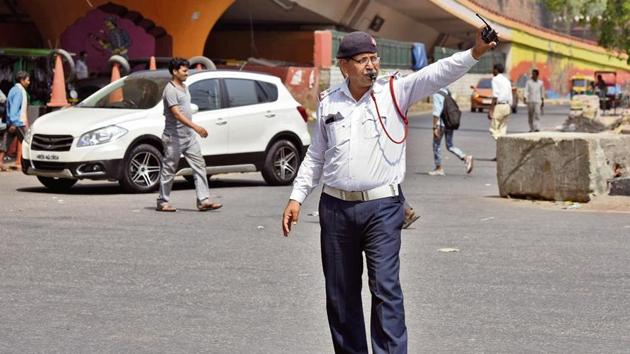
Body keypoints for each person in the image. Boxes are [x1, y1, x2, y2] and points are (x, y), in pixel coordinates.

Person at [282, 29, 496, 353]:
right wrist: (297, 197)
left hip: (382, 207)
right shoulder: (329, 102)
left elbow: (438, 73)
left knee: (385, 289)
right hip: (335, 209)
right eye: (362, 60)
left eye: (374, 58)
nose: (371, 66)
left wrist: (475, 52)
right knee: (341, 295)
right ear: (344, 66)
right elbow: (316, 155)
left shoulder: (396, 91)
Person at [156, 58, 222, 212]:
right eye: (184, 70)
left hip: (188, 137)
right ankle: (162, 201)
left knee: (199, 165)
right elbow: (177, 115)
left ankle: (203, 200)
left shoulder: (184, 87)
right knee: (169, 169)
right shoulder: (170, 90)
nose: (187, 73)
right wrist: (197, 127)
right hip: (174, 137)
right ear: (174, 71)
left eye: (187, 70)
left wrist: (192, 130)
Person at [428, 87, 473, 176]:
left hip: (440, 125)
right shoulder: (446, 90)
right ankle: (465, 157)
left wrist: (434, 127)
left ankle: (439, 168)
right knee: (450, 145)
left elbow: (437, 112)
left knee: (436, 145)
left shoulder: (437, 93)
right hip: (449, 123)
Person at [0, 71, 30, 171]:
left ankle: (0, 162)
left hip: (12, 122)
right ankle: (29, 164)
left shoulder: (13, 89)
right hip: (18, 122)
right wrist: (14, 122)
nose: (29, 82)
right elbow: (14, 108)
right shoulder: (18, 91)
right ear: (22, 80)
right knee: (28, 142)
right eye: (27, 80)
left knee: (6, 142)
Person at [488, 63, 512, 143]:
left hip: (499, 106)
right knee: (502, 130)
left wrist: (491, 110)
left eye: (493, 69)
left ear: (496, 70)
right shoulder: (506, 80)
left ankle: (500, 144)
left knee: (494, 129)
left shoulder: (495, 79)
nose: (492, 71)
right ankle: (502, 152)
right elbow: (510, 94)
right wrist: (510, 107)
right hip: (507, 106)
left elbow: (495, 95)